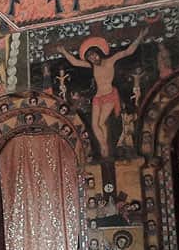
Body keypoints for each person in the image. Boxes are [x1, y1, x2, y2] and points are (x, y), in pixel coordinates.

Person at [56, 28, 147, 158]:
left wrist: (140, 36)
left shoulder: (111, 60)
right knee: (95, 125)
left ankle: (106, 147)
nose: (93, 58)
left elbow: (128, 51)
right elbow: (74, 62)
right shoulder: (92, 66)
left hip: (110, 95)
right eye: (89, 57)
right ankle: (104, 146)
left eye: (94, 55)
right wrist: (64, 51)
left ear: (99, 52)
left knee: (101, 122)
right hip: (98, 97)